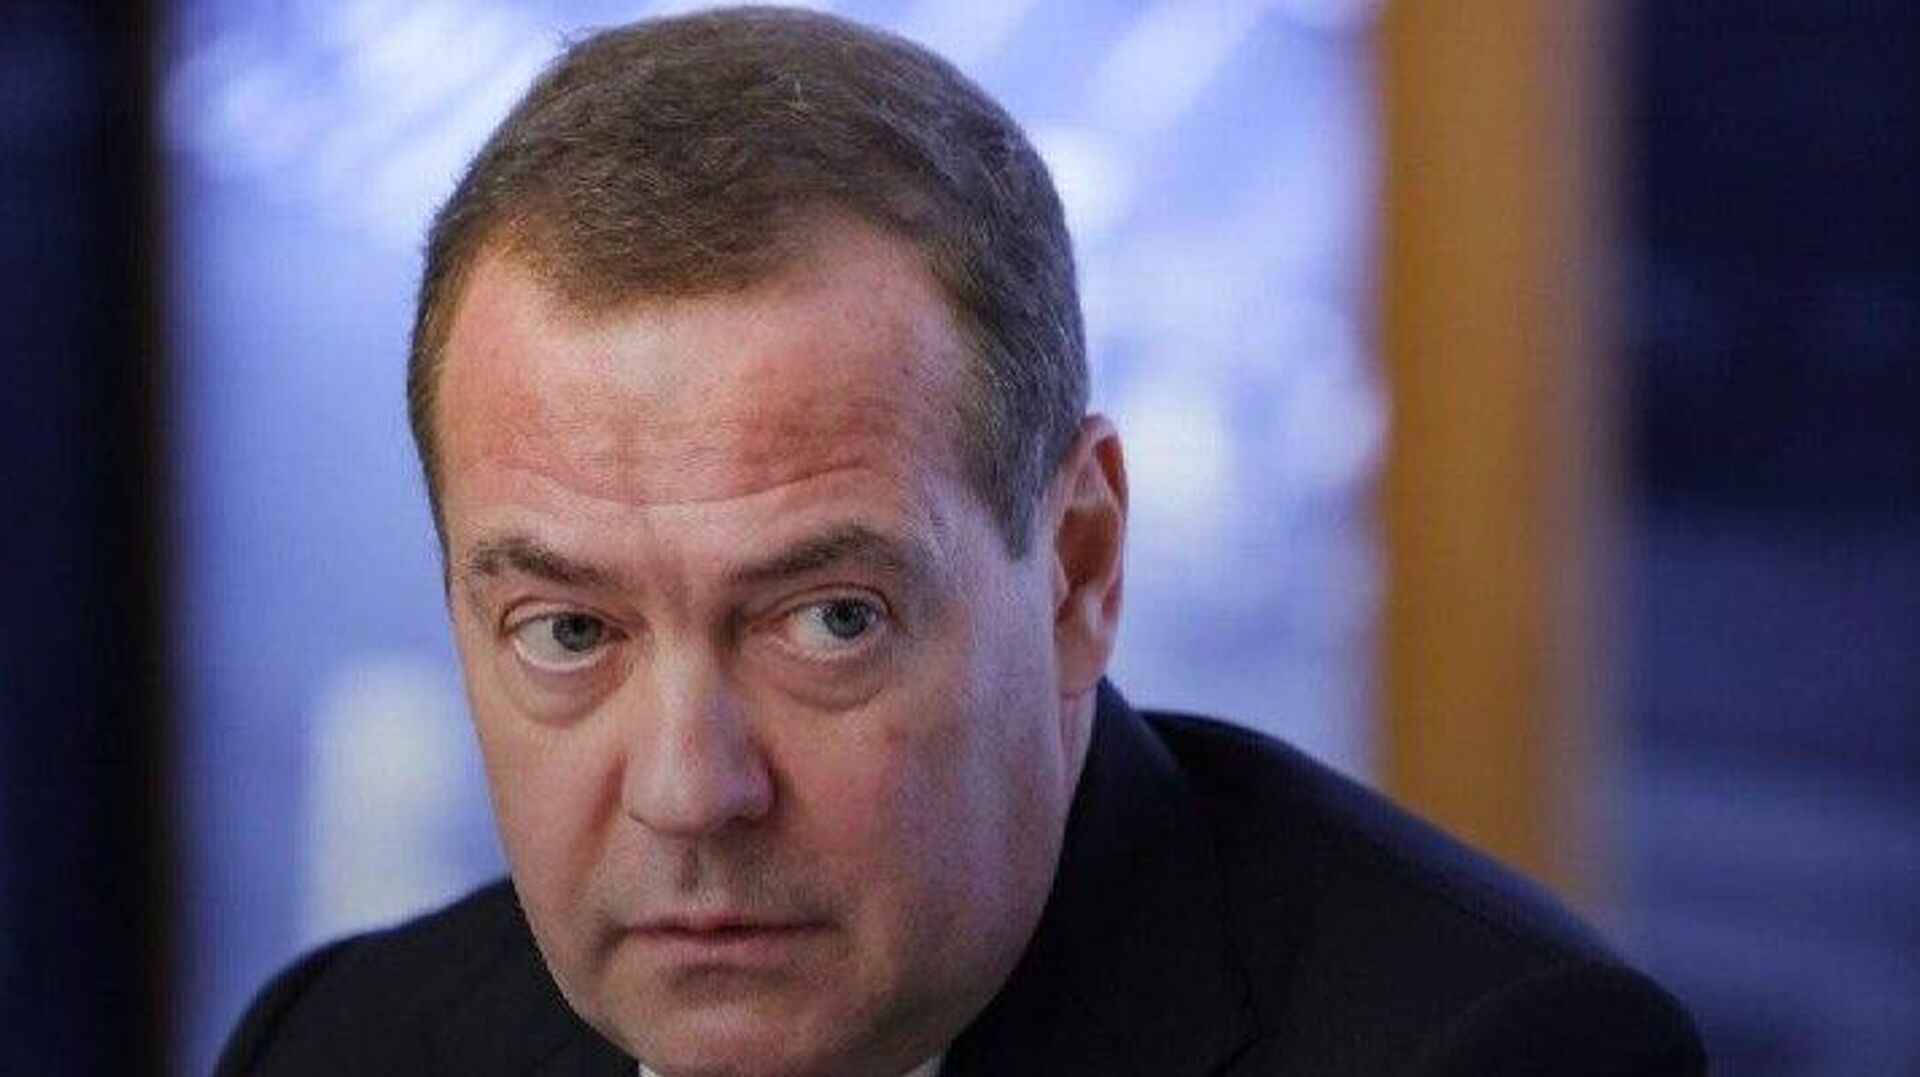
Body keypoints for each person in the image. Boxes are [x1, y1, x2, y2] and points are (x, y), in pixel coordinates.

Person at [217, 7, 1705, 1075]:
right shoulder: (344, 1046)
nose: (690, 791)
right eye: (568, 631)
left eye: (830, 618)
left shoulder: (1490, 1051)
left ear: (1078, 567)